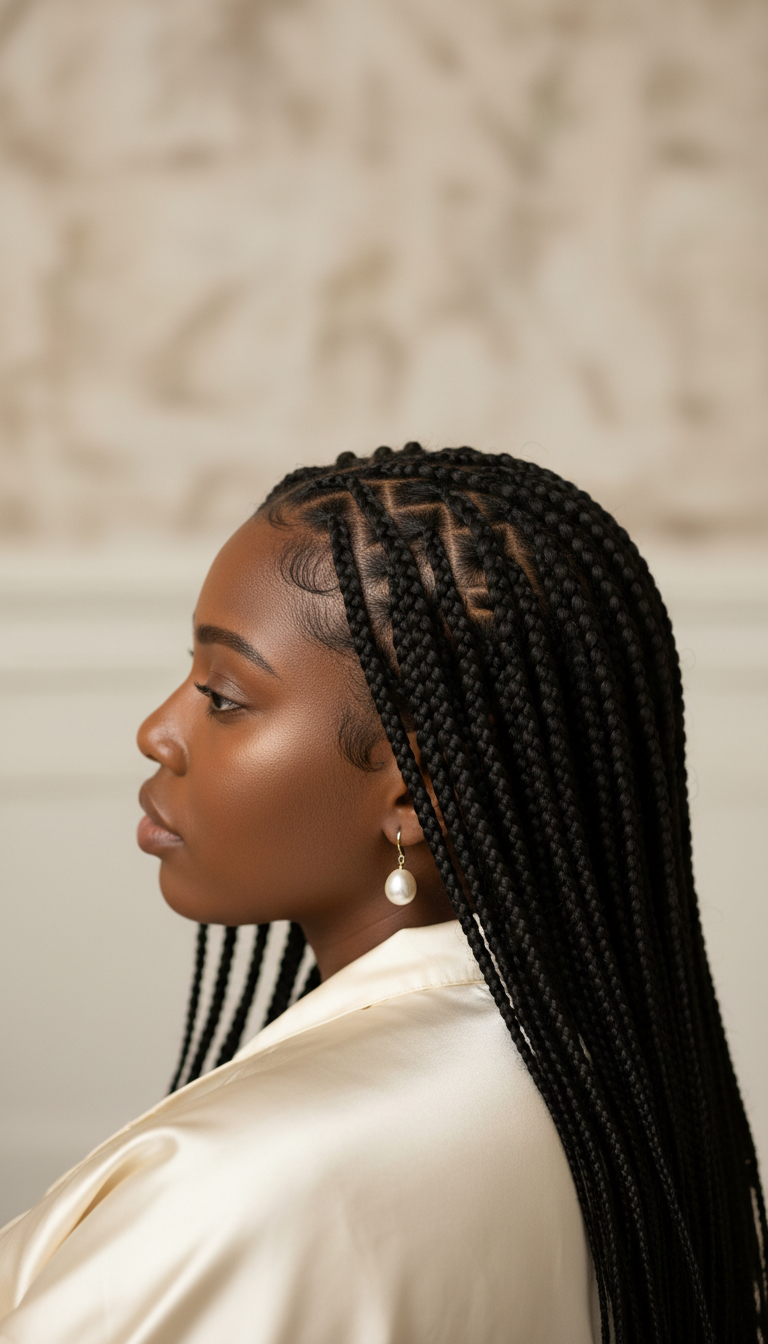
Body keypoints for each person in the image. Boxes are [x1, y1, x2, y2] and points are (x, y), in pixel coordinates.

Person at [0, 443, 765, 1343]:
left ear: (413, 793)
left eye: (223, 695)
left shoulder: (239, 1188)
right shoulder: (627, 1108)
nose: (158, 730)